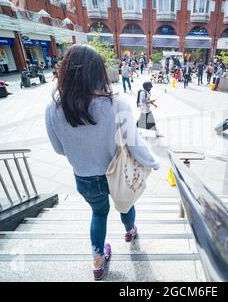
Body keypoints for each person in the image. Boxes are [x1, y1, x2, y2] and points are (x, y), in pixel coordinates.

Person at [45, 45, 160, 281]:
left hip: (84, 177)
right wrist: (154, 163)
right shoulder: (117, 104)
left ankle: (98, 263)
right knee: (125, 206)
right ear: (98, 72)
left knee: (98, 213)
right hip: (116, 174)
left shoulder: (53, 108)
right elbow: (135, 143)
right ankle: (130, 231)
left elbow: (59, 149)